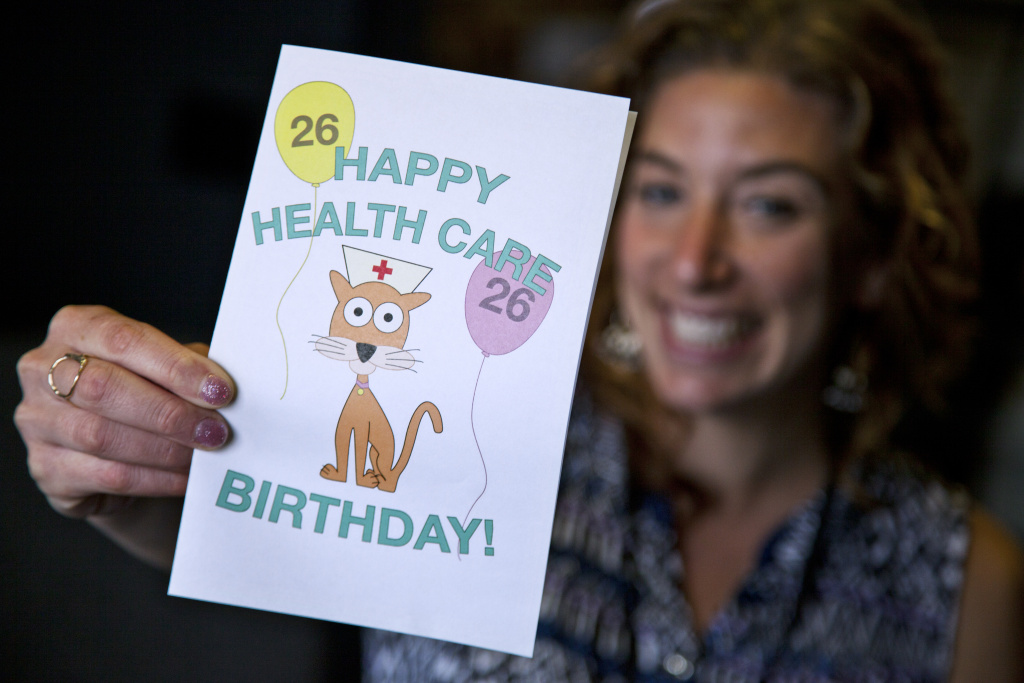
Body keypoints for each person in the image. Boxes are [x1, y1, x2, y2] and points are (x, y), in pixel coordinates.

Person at [14, 0, 1023, 680]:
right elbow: (220, 520)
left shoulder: (963, 580)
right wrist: (112, 454)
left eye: (769, 206)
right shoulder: (475, 416)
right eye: (661, 190)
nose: (693, 259)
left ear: (872, 254)